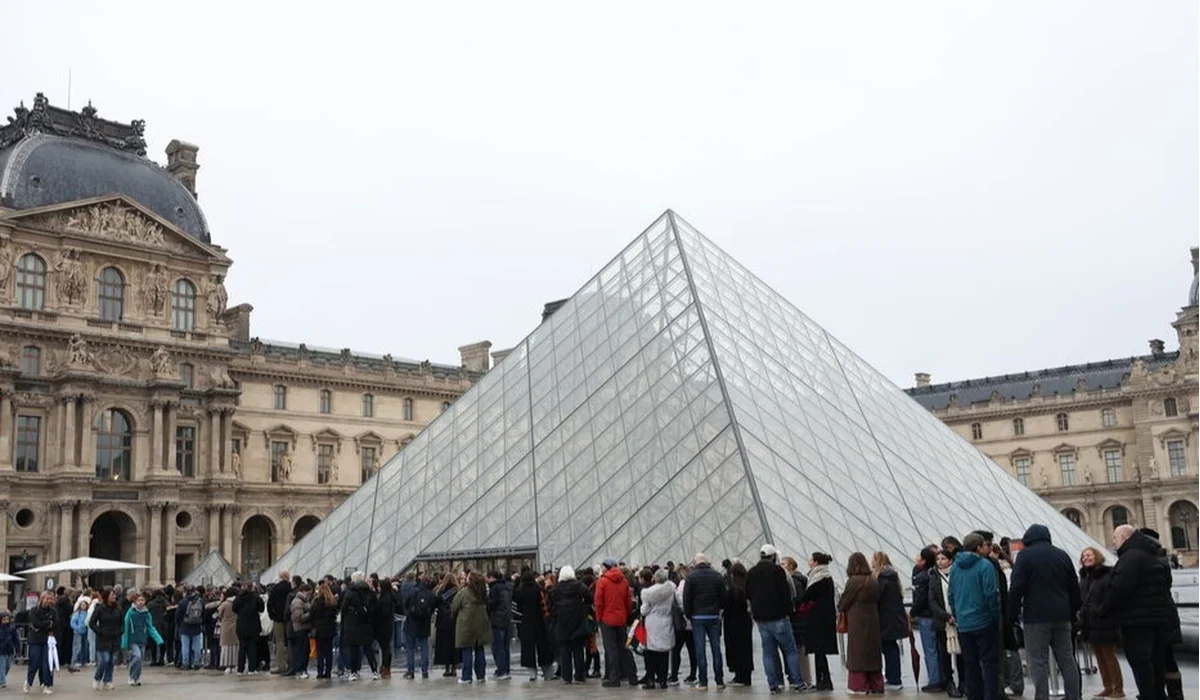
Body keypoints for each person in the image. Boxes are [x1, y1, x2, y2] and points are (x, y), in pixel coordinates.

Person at [1102, 525, 1176, 700]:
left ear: (1124, 538)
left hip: (1136, 622)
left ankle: (1148, 696)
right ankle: (1157, 696)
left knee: (1141, 665)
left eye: (1115, 538)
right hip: (1156, 620)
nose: (1113, 542)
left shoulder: (1130, 558)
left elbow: (1119, 589)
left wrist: (1105, 608)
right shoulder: (1151, 556)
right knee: (1156, 664)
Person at [1008, 524, 1081, 700]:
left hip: (1036, 617)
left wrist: (1011, 615)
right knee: (1067, 659)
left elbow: (1017, 587)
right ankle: (1074, 696)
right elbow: (1074, 587)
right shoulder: (1062, 555)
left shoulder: (1025, 556)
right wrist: (1072, 612)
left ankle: (1042, 697)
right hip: (1062, 616)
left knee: (1038, 662)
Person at [949, 533, 1000, 700]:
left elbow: (951, 595)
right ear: (978, 547)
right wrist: (994, 616)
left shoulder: (955, 567)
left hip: (964, 624)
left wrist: (958, 615)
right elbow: (991, 594)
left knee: (970, 664)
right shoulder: (985, 566)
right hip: (983, 621)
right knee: (989, 663)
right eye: (984, 545)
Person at [745, 545, 800, 692]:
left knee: (768, 653)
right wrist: (789, 611)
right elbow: (785, 594)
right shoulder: (777, 571)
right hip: (779, 617)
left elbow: (748, 594)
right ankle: (797, 682)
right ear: (773, 556)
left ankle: (773, 685)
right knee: (790, 650)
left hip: (761, 620)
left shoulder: (751, 572)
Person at [1078, 547, 1124, 700]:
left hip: (1104, 621)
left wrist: (1101, 610)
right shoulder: (1084, 577)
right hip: (1090, 622)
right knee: (1099, 656)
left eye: (1089, 555)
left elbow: (1111, 597)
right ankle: (1107, 687)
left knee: (1109, 656)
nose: (1086, 558)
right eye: (1084, 556)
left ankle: (1118, 689)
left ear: (1097, 556)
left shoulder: (1106, 575)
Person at [840, 552, 884, 694]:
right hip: (873, 619)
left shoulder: (853, 581)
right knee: (872, 653)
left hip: (857, 620)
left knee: (857, 653)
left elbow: (843, 603)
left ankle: (858, 685)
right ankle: (875, 684)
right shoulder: (872, 579)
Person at [683, 553, 727, 690]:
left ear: (695, 563)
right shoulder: (717, 576)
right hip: (713, 616)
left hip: (698, 617)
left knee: (700, 650)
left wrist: (689, 615)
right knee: (716, 648)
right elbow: (723, 597)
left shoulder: (690, 577)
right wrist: (719, 610)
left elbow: (687, 599)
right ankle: (719, 681)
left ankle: (703, 682)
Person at [595, 558, 638, 688]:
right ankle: (633, 677)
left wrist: (599, 618)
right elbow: (629, 602)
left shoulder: (602, 581)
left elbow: (598, 602)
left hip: (607, 619)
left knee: (611, 649)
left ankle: (614, 678)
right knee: (624, 648)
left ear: (606, 568)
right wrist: (625, 614)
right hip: (621, 619)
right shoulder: (623, 580)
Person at [798, 552, 837, 692]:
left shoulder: (819, 577)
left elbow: (807, 596)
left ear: (815, 562)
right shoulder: (826, 576)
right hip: (824, 619)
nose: (808, 561)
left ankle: (823, 681)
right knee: (820, 652)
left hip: (818, 619)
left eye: (810, 559)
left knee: (819, 651)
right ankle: (824, 681)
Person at [930, 549, 966, 698]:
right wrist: (946, 616)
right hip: (942, 622)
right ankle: (949, 683)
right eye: (938, 559)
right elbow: (932, 601)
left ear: (950, 560)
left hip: (959, 620)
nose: (940, 562)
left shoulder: (957, 574)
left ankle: (963, 682)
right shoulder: (933, 576)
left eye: (943, 559)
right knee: (944, 655)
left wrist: (956, 615)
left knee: (962, 655)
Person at [872, 552, 909, 691]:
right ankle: (893, 677)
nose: (871, 563)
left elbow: (877, 597)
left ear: (878, 561)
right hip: (893, 618)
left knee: (889, 648)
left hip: (886, 619)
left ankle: (894, 679)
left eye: (873, 560)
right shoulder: (892, 577)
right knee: (890, 647)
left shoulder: (882, 578)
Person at [549, 566, 591, 685]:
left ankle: (566, 676)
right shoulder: (579, 586)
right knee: (578, 650)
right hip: (577, 619)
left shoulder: (556, 588)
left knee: (565, 650)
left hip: (562, 621)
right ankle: (579, 676)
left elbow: (551, 603)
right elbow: (589, 597)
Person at [911, 547, 944, 692]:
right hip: (938, 616)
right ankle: (943, 678)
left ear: (923, 560)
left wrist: (912, 612)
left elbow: (920, 600)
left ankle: (934, 680)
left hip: (926, 617)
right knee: (939, 648)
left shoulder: (922, 576)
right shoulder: (937, 574)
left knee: (930, 650)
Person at [450, 572, 491, 684]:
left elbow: (454, 607)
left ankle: (466, 676)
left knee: (467, 651)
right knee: (479, 650)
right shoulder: (482, 593)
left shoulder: (464, 592)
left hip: (466, 625)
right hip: (480, 625)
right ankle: (481, 675)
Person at [341, 571, 379, 681]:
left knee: (353, 650)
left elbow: (343, 609)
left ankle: (354, 672)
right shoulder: (369, 592)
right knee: (368, 649)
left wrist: (345, 623)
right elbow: (375, 607)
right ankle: (374, 671)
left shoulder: (350, 592)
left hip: (352, 624)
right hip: (366, 624)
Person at [781, 556, 813, 689]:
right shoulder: (799, 579)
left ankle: (803, 679)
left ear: (791, 566)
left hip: (797, 621)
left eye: (783, 564)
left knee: (800, 650)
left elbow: (797, 600)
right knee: (798, 650)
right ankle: (800, 677)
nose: (781, 566)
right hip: (799, 620)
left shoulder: (795, 581)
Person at [722, 562, 754, 688]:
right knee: (746, 649)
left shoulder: (733, 590)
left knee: (736, 649)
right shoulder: (747, 586)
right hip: (745, 622)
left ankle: (739, 676)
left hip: (733, 623)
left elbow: (726, 605)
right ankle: (744, 676)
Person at [121, 593, 163, 687]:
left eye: (142, 600)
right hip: (133, 640)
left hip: (142, 639)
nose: (140, 602)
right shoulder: (130, 612)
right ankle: (131, 677)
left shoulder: (147, 614)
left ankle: (136, 678)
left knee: (140, 661)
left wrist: (158, 639)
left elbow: (150, 627)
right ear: (135, 602)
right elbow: (126, 626)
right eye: (139, 600)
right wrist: (124, 642)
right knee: (137, 657)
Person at [669, 563, 697, 686]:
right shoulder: (694, 585)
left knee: (676, 651)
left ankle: (674, 676)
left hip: (681, 624)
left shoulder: (680, 587)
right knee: (692, 651)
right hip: (692, 623)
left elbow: (681, 605)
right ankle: (693, 675)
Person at [90, 588, 124, 691]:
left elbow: (122, 622)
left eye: (114, 595)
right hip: (103, 638)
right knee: (104, 660)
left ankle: (108, 680)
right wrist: (99, 631)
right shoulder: (100, 608)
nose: (114, 596)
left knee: (111, 661)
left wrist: (121, 631)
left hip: (115, 637)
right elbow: (92, 622)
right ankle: (97, 678)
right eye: (112, 594)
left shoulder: (118, 608)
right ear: (106, 596)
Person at [401, 575, 434, 679]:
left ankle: (410, 671)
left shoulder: (413, 591)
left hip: (411, 622)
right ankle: (425, 671)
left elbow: (405, 604)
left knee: (410, 648)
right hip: (424, 623)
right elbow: (433, 607)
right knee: (424, 647)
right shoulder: (430, 594)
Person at [27, 591, 58, 695]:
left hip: (47, 640)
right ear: (42, 599)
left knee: (47, 663)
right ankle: (28, 682)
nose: (49, 601)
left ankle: (46, 684)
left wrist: (47, 625)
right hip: (35, 640)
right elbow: (35, 623)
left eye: (51, 599)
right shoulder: (34, 610)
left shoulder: (53, 611)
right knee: (35, 661)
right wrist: (48, 623)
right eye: (47, 599)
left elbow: (56, 623)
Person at [486, 570, 513, 681]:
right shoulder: (506, 587)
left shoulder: (494, 588)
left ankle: (501, 670)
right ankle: (506, 669)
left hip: (497, 620)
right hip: (507, 619)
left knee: (498, 647)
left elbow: (492, 604)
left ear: (492, 577)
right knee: (505, 647)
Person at [233, 584, 264, 675]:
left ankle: (240, 669)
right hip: (253, 625)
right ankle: (252, 668)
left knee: (242, 648)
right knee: (252, 648)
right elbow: (261, 608)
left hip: (241, 625)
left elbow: (234, 608)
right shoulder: (255, 597)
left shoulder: (239, 597)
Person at [433, 573, 460, 678]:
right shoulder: (457, 591)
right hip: (454, 621)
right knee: (454, 645)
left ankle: (447, 668)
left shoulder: (440, 591)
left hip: (442, 622)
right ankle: (454, 668)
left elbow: (436, 604)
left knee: (444, 645)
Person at [310, 582, 337, 680]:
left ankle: (320, 672)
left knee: (320, 652)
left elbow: (311, 615)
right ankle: (328, 672)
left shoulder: (316, 603)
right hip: (329, 630)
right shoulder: (332, 603)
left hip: (319, 630)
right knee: (328, 651)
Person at [266, 571, 292, 675]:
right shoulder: (291, 588)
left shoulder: (276, 589)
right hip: (289, 619)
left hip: (278, 618)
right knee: (290, 641)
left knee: (279, 642)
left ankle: (281, 665)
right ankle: (290, 664)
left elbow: (269, 604)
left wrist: (272, 615)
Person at [176, 585, 206, 671]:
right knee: (197, 646)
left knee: (185, 646)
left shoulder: (183, 602)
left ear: (185, 592)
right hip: (196, 626)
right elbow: (203, 613)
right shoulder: (200, 601)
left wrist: (180, 623)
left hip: (184, 626)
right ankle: (196, 663)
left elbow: (178, 615)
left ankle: (186, 664)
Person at [288, 583, 313, 679]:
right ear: (304, 591)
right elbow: (298, 617)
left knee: (305, 651)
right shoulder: (297, 602)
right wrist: (310, 614)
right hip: (300, 629)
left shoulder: (303, 600)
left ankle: (303, 669)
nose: (309, 595)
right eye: (308, 593)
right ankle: (300, 669)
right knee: (301, 651)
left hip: (304, 628)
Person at [374, 579, 395, 679]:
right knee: (386, 647)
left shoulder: (385, 598)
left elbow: (384, 613)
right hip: (387, 626)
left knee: (385, 647)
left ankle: (386, 667)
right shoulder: (389, 596)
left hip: (384, 626)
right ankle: (385, 666)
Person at [216, 587, 239, 675]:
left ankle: (227, 666)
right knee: (235, 646)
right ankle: (235, 665)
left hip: (225, 627)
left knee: (226, 647)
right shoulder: (237, 603)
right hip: (236, 626)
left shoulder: (225, 604)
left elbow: (219, 614)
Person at [69, 595, 91, 671]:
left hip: (85, 632)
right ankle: (74, 661)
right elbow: (72, 623)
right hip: (77, 632)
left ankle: (83, 661)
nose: (83, 606)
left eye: (84, 605)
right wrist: (77, 628)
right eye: (82, 605)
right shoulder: (77, 613)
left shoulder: (87, 613)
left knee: (85, 647)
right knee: (77, 647)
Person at [0, 610, 19, 689]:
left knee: (7, 666)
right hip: (1, 650)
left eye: (7, 619)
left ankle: (2, 677)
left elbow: (16, 639)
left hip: (9, 649)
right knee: (2, 666)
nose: (6, 621)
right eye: (4, 619)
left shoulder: (12, 628)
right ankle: (2, 681)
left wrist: (18, 648)